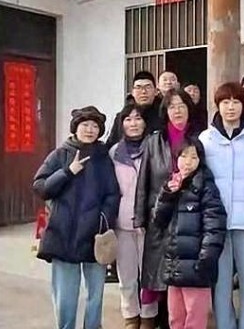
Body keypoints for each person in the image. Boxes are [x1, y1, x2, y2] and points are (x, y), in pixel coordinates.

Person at [33, 106, 120, 329]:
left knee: (95, 294)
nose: (90, 130)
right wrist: (67, 172)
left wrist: (103, 220)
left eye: (94, 126)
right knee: (65, 296)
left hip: (95, 235)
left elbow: (112, 194)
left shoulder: (103, 158)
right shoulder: (60, 154)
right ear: (75, 128)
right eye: (85, 125)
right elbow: (41, 187)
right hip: (64, 233)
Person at [199, 82, 244, 329]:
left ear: (243, 105)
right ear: (217, 105)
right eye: (225, 102)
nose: (230, 107)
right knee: (220, 283)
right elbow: (199, 180)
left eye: (236, 102)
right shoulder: (206, 139)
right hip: (216, 223)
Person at [134, 88, 199, 329]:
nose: (177, 110)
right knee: (159, 275)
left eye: (182, 105)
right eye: (172, 106)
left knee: (181, 275)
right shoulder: (154, 140)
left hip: (188, 217)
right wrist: (139, 217)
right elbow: (144, 180)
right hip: (159, 215)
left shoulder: (198, 139)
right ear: (166, 112)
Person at [153, 138, 227, 329]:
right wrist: (167, 194)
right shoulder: (172, 184)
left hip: (196, 267)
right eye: (184, 156)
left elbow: (215, 226)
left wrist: (205, 260)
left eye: (193, 157)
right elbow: (158, 221)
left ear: (200, 160)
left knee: (195, 319)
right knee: (175, 318)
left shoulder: (206, 186)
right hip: (174, 264)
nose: (188, 161)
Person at [109, 103, 158, 328]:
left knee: (148, 275)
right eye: (128, 119)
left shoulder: (155, 147)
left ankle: (148, 316)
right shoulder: (114, 152)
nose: (133, 123)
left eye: (138, 118)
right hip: (122, 221)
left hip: (149, 222)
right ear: (122, 124)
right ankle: (130, 316)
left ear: (145, 123)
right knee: (126, 274)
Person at [107, 71, 163, 149]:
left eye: (148, 87)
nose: (143, 91)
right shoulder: (122, 117)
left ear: (156, 91)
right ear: (132, 92)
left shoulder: (164, 115)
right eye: (138, 87)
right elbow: (111, 145)